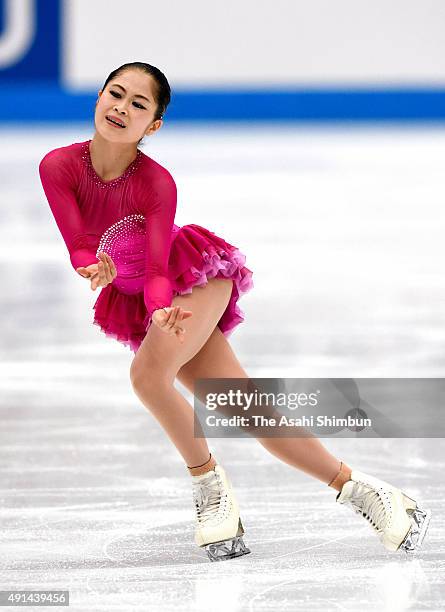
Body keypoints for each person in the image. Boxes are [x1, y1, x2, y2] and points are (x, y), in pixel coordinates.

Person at [39, 61, 431, 562]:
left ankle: (209, 487)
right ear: (97, 97)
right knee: (245, 407)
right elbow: (77, 242)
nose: (121, 108)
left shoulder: (156, 183)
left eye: (138, 104)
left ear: (153, 125)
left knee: (147, 376)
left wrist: (159, 307)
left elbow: (159, 267)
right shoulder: (58, 166)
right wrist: (94, 265)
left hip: (191, 280)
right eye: (115, 95)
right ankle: (371, 494)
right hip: (138, 298)